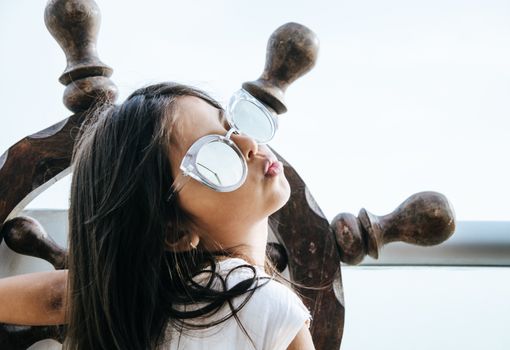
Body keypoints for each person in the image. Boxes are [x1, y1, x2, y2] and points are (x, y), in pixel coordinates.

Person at [0, 82, 315, 350]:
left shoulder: (133, 300)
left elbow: (56, 297)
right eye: (214, 154)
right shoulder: (272, 308)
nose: (247, 143)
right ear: (173, 232)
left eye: (232, 123)